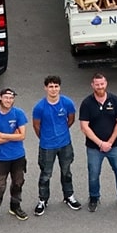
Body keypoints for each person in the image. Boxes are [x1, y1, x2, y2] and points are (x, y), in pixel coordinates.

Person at [78, 72, 117, 211]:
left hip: (114, 145)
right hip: (94, 148)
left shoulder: (114, 100)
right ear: (92, 85)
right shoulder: (86, 103)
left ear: (106, 83)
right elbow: (84, 126)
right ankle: (94, 198)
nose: (100, 86)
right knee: (94, 174)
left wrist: (109, 142)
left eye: (102, 84)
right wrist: (100, 143)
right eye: (97, 84)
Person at [32, 76, 80, 214]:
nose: (53, 89)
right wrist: (46, 138)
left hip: (65, 144)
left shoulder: (67, 103)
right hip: (47, 146)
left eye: (56, 86)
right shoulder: (39, 107)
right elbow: (36, 126)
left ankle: (69, 196)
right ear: (45, 88)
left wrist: (62, 133)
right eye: (51, 86)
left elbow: (71, 120)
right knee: (46, 174)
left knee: (66, 172)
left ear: (60, 87)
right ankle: (43, 200)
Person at [0, 88, 30, 226]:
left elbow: (22, 136)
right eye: (6, 97)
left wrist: (2, 134)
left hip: (18, 157)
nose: (9, 100)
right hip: (1, 159)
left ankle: (15, 207)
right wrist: (13, 136)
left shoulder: (19, 113)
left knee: (18, 183)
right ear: (0, 98)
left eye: (11, 98)